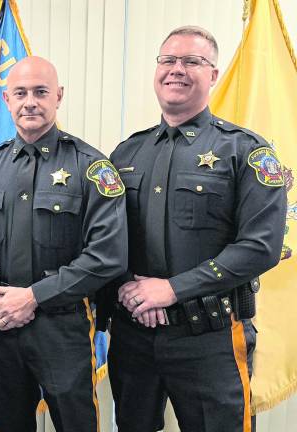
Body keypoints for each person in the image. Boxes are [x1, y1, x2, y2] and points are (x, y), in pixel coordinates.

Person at [106, 26, 286, 432]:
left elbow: (261, 247)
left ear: (214, 75)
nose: (177, 69)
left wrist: (170, 289)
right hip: (134, 338)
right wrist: (124, 287)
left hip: (210, 339)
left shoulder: (247, 151)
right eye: (168, 60)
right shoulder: (126, 152)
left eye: (192, 61)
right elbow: (105, 238)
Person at [0, 56, 128, 431]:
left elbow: (108, 255)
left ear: (58, 96)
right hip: (2, 328)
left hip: (63, 328)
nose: (30, 101)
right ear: (6, 99)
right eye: (21, 93)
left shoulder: (91, 167)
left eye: (40, 92)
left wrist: (32, 297)